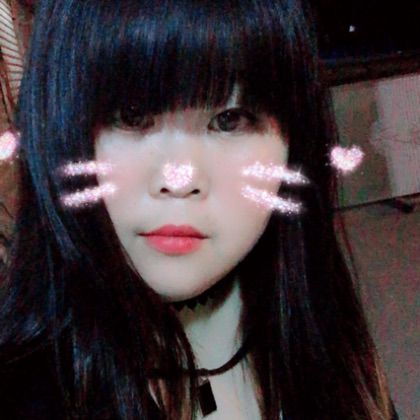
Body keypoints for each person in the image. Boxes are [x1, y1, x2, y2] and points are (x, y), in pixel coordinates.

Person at [0, 0, 399, 419]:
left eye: (230, 119)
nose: (180, 179)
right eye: (131, 116)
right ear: (56, 128)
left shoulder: (329, 342)